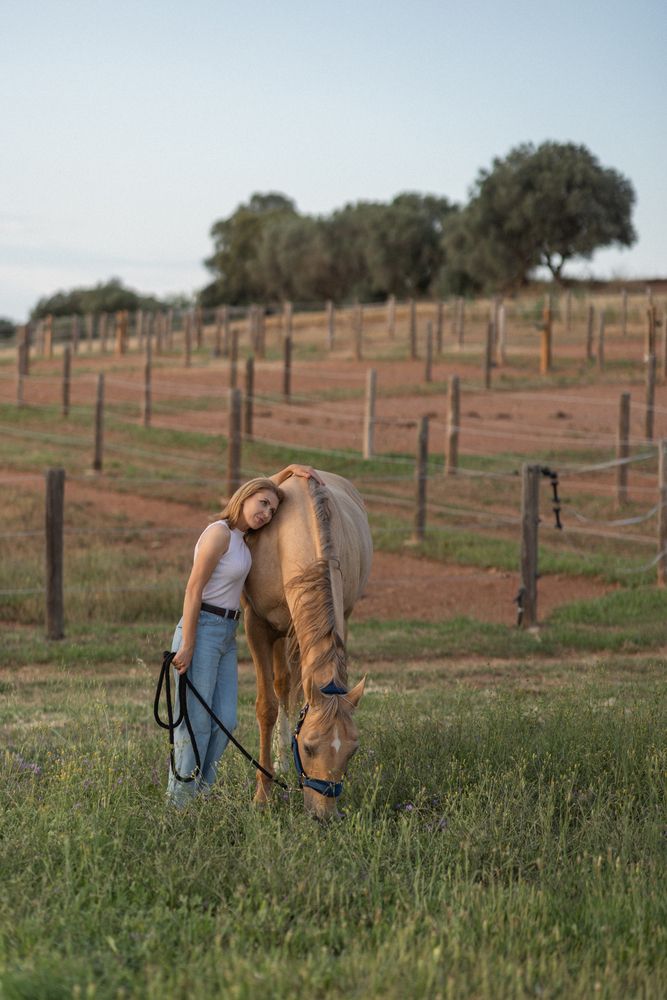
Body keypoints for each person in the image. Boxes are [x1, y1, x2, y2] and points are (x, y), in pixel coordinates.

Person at [166, 463, 323, 806]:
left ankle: (202, 794)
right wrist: (189, 643)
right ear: (245, 496)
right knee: (195, 723)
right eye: (263, 503)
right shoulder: (219, 533)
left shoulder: (243, 538)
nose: (267, 513)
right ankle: (181, 805)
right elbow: (193, 590)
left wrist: (289, 471)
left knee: (225, 720)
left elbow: (268, 487)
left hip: (226, 633)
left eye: (272, 509)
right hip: (203, 628)